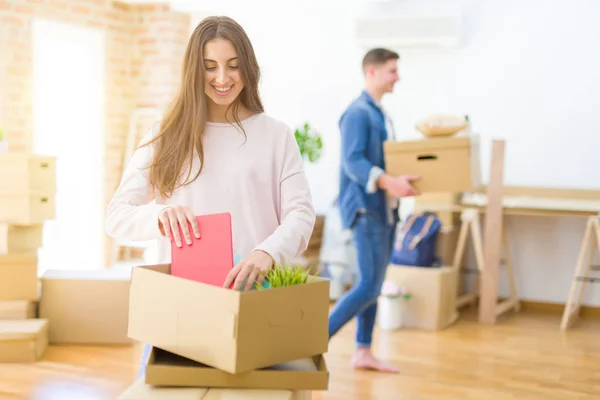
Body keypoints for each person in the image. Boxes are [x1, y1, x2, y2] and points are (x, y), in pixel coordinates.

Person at [104, 16, 315, 377]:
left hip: (255, 304)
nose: (222, 78)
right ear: (193, 71)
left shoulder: (275, 136)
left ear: (248, 68)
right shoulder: (165, 135)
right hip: (182, 308)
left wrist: (267, 253)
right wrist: (159, 215)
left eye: (233, 66)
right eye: (210, 67)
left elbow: (301, 214)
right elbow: (117, 218)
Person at [328, 48, 419, 373]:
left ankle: (362, 351)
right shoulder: (357, 113)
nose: (397, 77)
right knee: (368, 285)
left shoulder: (378, 113)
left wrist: (397, 180)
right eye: (392, 70)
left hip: (382, 209)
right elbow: (352, 163)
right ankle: (310, 341)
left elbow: (381, 162)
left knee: (374, 285)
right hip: (365, 210)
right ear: (372, 72)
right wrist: (390, 183)